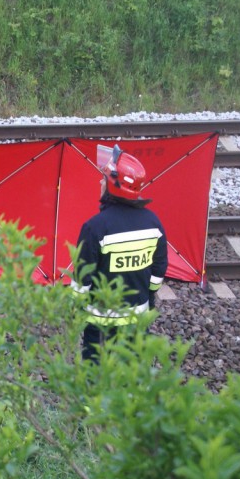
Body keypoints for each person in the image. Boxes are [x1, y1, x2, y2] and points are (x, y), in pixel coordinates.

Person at [72, 145, 168, 363]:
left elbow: (81, 279)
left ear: (114, 187)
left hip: (100, 324)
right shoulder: (154, 224)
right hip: (138, 318)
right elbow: (158, 270)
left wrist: (76, 311)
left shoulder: (94, 228)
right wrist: (148, 300)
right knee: (132, 376)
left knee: (95, 378)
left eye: (103, 179)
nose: (100, 182)